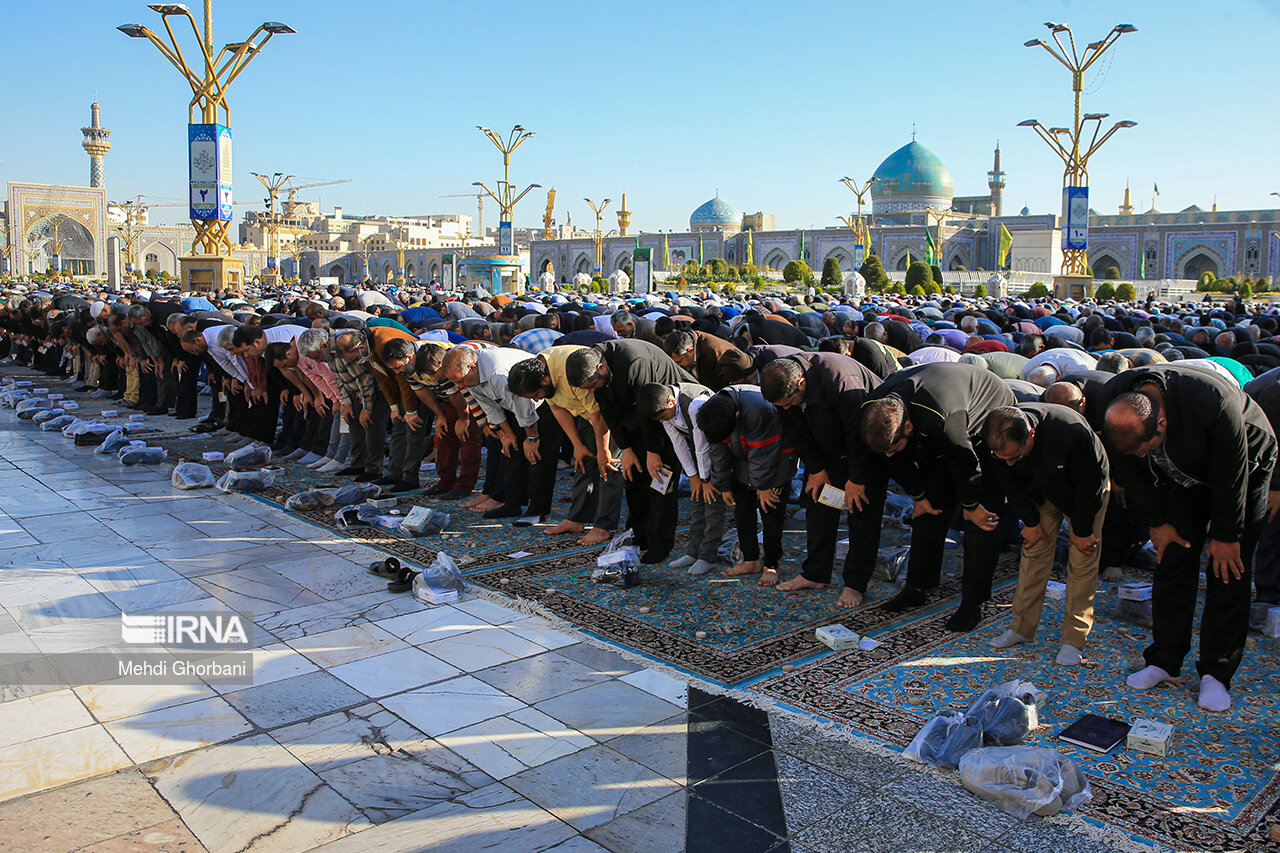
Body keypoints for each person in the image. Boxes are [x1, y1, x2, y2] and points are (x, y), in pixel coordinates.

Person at [1099, 364, 1277, 711]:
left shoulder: (1213, 400)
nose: (1139, 457)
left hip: (1245, 469)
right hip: (1177, 473)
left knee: (1228, 569)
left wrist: (1227, 536)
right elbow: (1126, 467)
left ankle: (1216, 673)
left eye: (1144, 448)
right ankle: (1164, 660)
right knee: (1173, 556)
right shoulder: (1114, 399)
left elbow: (1231, 476)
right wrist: (1157, 521)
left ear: (1161, 424)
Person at [860, 362, 1015, 631]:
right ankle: (918, 586)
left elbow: (966, 463)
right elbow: (891, 459)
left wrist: (971, 505)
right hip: (940, 432)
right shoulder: (873, 410)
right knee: (928, 510)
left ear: (907, 426)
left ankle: (973, 603)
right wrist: (919, 495)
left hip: (988, 417)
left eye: (894, 446)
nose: (889, 453)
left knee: (980, 521)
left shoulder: (942, 418)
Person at [983, 405, 1110, 666]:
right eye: (1002, 457)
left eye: (1014, 456)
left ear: (1030, 435)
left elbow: (1091, 485)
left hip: (1081, 493)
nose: (1008, 462)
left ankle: (1073, 641)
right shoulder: (1000, 437)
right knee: (1034, 549)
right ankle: (1021, 627)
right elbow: (1009, 482)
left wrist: (1082, 530)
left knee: (1082, 558)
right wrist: (1029, 521)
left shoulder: (1070, 433)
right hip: (1040, 492)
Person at [759, 353, 887, 607]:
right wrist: (816, 468)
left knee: (861, 511)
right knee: (818, 503)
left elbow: (858, 434)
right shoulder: (784, 393)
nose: (786, 408)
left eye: (789, 402)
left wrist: (856, 479)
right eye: (780, 405)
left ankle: (855, 584)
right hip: (827, 450)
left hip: (867, 450)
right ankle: (814, 573)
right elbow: (793, 429)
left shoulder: (841, 381)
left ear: (801, 383)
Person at [566, 340, 694, 563]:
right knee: (633, 476)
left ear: (601, 368)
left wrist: (653, 452)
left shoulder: (635, 363)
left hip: (666, 415)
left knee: (660, 482)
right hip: (634, 418)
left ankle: (659, 544)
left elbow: (650, 410)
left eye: (593, 385)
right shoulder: (596, 369)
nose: (593, 390)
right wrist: (626, 449)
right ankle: (638, 533)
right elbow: (607, 410)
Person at [507, 346, 623, 546]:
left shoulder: (573, 370)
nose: (536, 400)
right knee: (583, 460)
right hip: (586, 416)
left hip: (610, 414)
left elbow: (599, 415)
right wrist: (576, 445)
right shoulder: (539, 368)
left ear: (544, 380)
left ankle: (603, 527)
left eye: (536, 394)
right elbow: (557, 408)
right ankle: (577, 519)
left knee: (609, 466)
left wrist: (603, 451)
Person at [698, 385, 797, 586]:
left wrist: (762, 487)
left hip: (777, 460)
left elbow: (764, 454)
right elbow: (717, 450)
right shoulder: (713, 412)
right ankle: (751, 560)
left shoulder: (759, 409)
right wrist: (723, 484)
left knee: (771, 513)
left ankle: (771, 564)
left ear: (736, 415)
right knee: (742, 511)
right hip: (742, 459)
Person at [636, 381, 724, 576]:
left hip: (718, 453)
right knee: (697, 503)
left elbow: (702, 445)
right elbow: (678, 444)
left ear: (670, 402)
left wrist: (705, 479)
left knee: (713, 506)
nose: (660, 421)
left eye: (661, 417)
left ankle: (707, 556)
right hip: (701, 458)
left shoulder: (694, 404)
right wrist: (693, 477)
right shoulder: (666, 407)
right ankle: (693, 552)